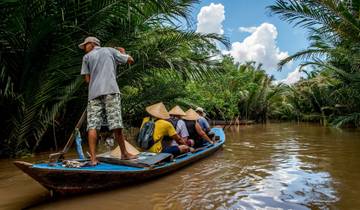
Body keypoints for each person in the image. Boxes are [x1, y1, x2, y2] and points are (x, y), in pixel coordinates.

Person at [79, 36, 136, 165]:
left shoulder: (86, 58)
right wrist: (122, 53)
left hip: (94, 93)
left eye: (85, 45)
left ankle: (93, 159)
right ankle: (124, 154)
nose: (84, 49)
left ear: (92, 44)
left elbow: (87, 80)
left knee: (93, 125)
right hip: (110, 90)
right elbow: (130, 60)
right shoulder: (110, 51)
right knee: (116, 123)